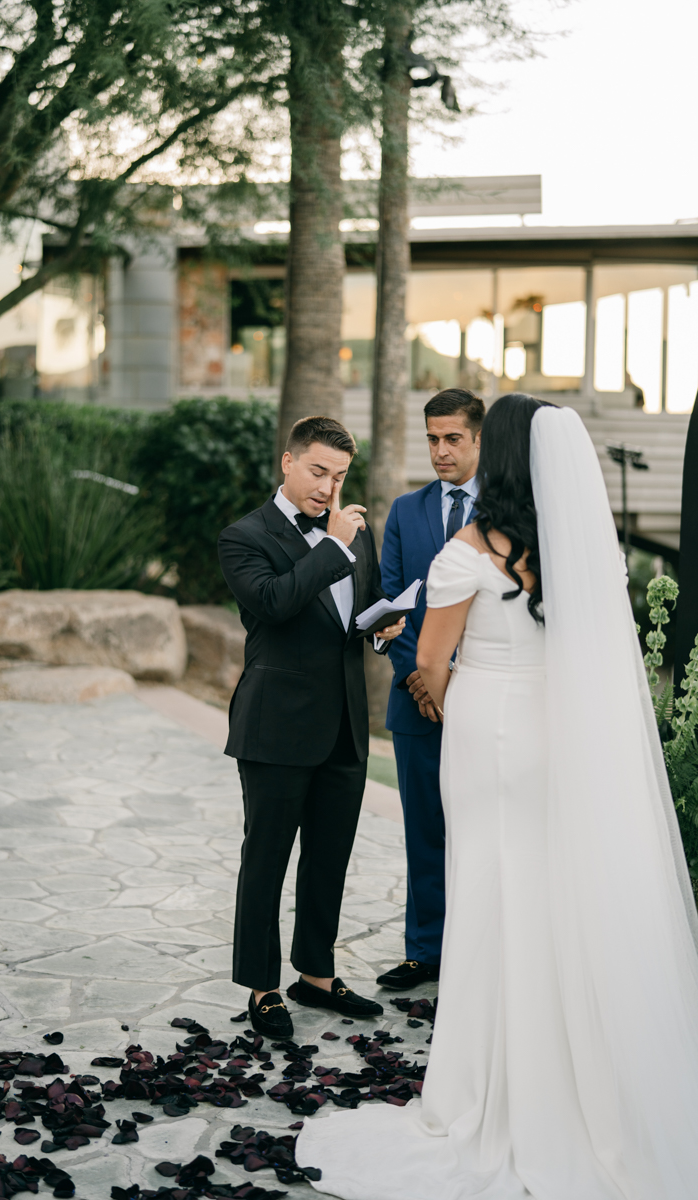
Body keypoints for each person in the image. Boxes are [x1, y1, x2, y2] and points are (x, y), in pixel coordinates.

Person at [297, 395, 698, 1199]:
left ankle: (486, 1087)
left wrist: (434, 687)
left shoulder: (467, 550)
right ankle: (570, 1073)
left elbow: (432, 661)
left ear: (498, 454)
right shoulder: (581, 552)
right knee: (550, 892)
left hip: (484, 736)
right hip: (553, 740)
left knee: (486, 892)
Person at [218, 415, 406, 1040]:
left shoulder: (356, 533)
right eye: (320, 472)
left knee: (329, 858)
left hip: (345, 724)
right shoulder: (244, 536)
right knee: (266, 858)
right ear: (288, 463)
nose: (330, 487)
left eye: (341, 475)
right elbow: (273, 603)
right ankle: (261, 987)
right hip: (275, 726)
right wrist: (330, 544)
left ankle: (316, 974)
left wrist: (383, 628)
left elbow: (356, 610)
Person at [377, 389, 484, 992]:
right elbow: (394, 601)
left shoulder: (508, 509)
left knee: (482, 827)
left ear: (476, 440)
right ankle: (425, 952)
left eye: (452, 439)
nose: (440, 451)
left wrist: (454, 676)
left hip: (485, 696)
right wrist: (420, 677)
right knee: (424, 829)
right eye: (432, 439)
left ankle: (480, 948)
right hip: (414, 698)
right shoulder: (405, 510)